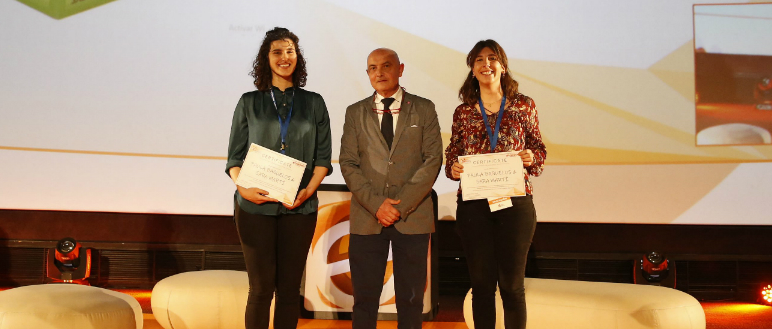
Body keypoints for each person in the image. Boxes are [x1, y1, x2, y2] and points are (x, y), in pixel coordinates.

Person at [225, 27, 332, 329]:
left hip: (300, 207)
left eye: (290, 51)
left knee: (288, 290)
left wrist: (308, 191)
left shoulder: (314, 102)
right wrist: (243, 188)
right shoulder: (249, 101)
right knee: (260, 290)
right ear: (266, 58)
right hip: (253, 208)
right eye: (277, 52)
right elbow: (234, 159)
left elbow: (323, 158)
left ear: (298, 57)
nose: (284, 57)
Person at [445, 40, 545, 329]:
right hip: (474, 207)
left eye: (492, 58)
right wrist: (453, 167)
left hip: (515, 204)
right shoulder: (463, 111)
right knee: (482, 286)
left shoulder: (524, 105)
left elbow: (539, 149)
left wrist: (531, 156)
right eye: (479, 59)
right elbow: (452, 152)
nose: (485, 64)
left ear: (503, 66)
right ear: (472, 68)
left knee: (512, 287)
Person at [339, 48, 442, 329]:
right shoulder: (355, 112)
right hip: (367, 217)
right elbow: (348, 163)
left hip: (413, 216)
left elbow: (433, 159)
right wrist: (377, 205)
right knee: (364, 300)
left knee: (411, 300)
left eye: (386, 66)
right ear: (367, 73)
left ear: (400, 69)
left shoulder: (424, 108)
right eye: (372, 68)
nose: (379, 73)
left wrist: (400, 205)